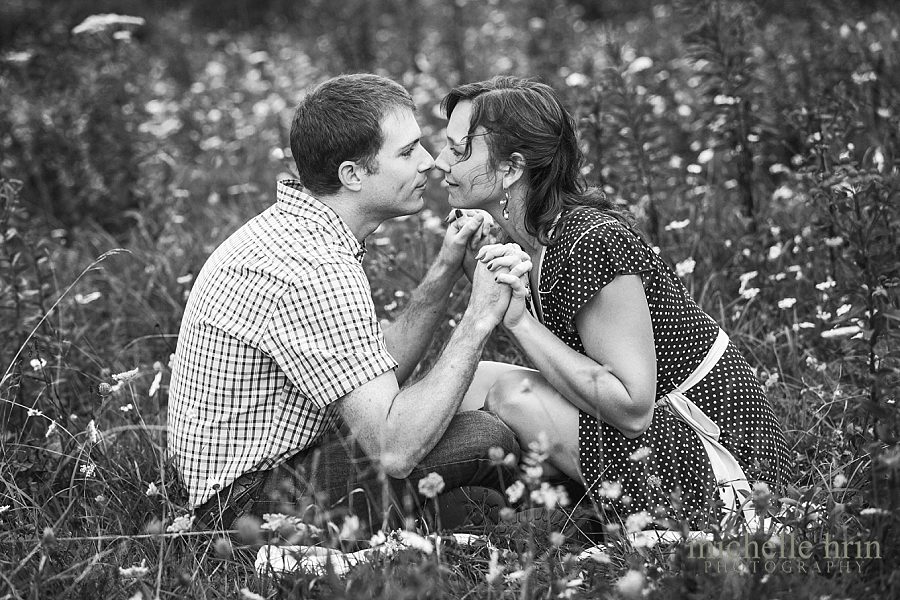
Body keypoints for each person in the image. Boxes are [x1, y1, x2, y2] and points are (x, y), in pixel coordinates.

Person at [167, 74, 522, 535]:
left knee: (469, 467)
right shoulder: (314, 269)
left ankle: (494, 517)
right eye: (407, 151)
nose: (430, 162)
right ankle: (557, 521)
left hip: (250, 473)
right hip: (244, 508)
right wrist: (478, 318)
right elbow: (393, 450)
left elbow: (374, 372)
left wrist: (445, 270)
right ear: (352, 174)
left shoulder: (296, 230)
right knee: (483, 437)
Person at [436, 76, 790, 530]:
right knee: (477, 377)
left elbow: (632, 407)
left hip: (728, 467)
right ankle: (406, 490)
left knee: (511, 395)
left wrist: (520, 322)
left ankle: (511, 506)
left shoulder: (590, 241)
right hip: (670, 437)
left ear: (511, 168)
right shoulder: (546, 239)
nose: (440, 161)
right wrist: (478, 273)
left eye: (458, 150)